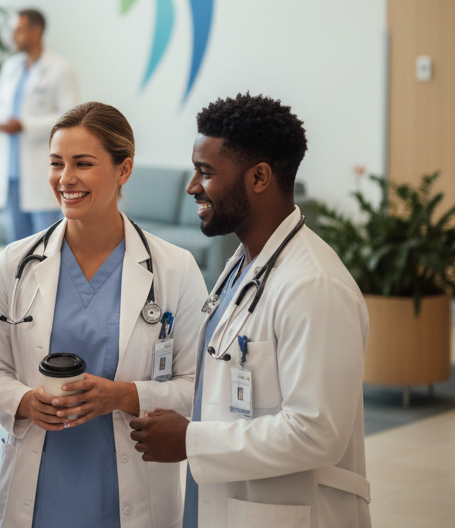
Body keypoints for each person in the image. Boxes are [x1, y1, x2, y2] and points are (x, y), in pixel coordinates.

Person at [129, 94, 371, 527]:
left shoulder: (314, 285)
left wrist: (192, 441)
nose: (192, 186)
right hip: (227, 503)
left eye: (206, 172)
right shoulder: (245, 264)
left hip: (286, 512)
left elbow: (317, 432)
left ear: (259, 177)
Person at [0, 102, 208, 527]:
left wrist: (122, 396)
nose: (66, 179)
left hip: (130, 494)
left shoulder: (174, 268)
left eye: (83, 163)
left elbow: (199, 387)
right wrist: (25, 401)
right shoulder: (15, 263)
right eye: (56, 163)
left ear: (124, 169)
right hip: (36, 491)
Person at [0, 8, 79, 243]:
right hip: (12, 171)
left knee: (47, 246)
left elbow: (70, 118)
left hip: (40, 170)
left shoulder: (60, 69)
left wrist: (25, 125)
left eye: (18, 31)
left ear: (36, 31)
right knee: (17, 247)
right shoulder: (11, 68)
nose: (13, 37)